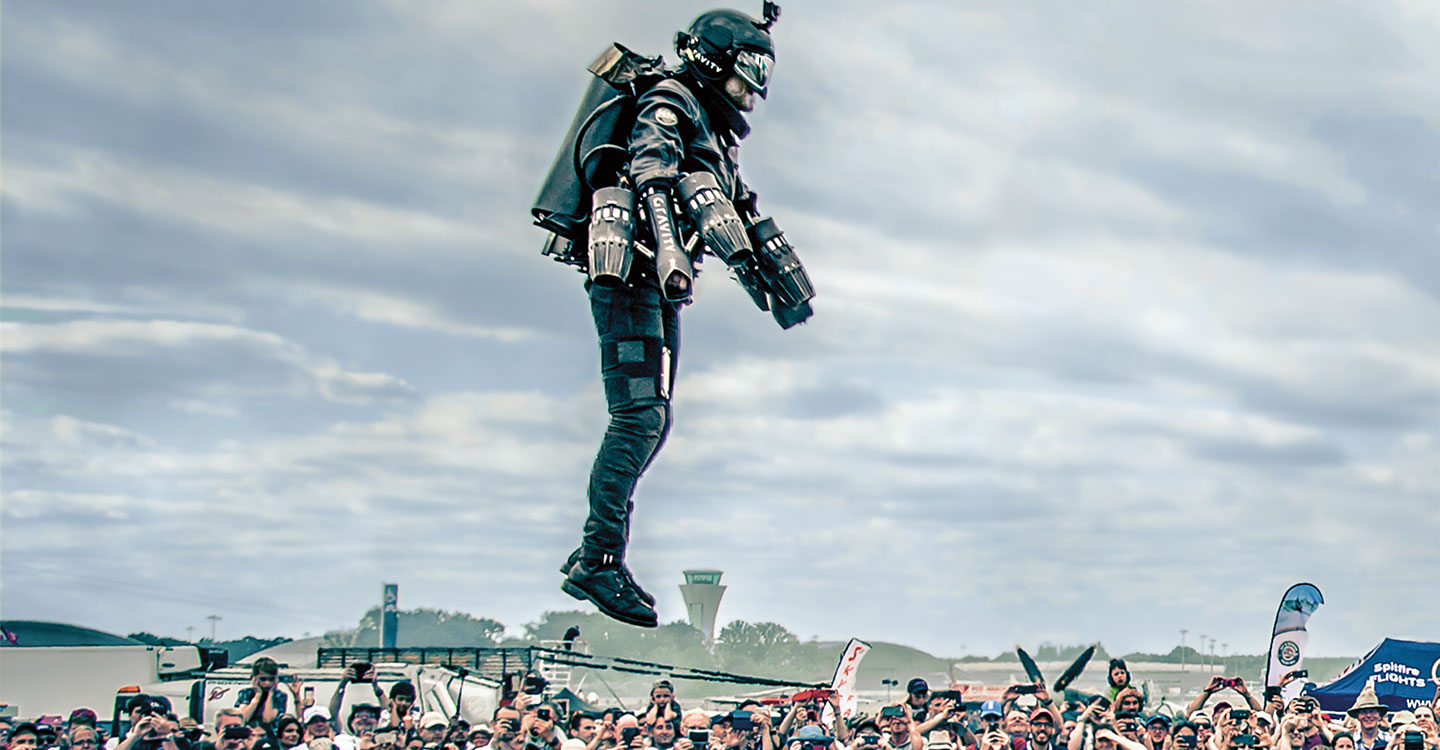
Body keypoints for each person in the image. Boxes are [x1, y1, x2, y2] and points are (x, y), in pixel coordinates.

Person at [551, 3, 813, 628]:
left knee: (653, 421)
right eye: (747, 68)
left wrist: (776, 281)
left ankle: (597, 551)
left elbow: (738, 205)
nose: (753, 88)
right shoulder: (670, 100)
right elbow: (651, 168)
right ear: (713, 58)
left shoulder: (714, 132)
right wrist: (670, 249)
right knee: (639, 418)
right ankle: (597, 559)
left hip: (657, 285)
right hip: (632, 277)